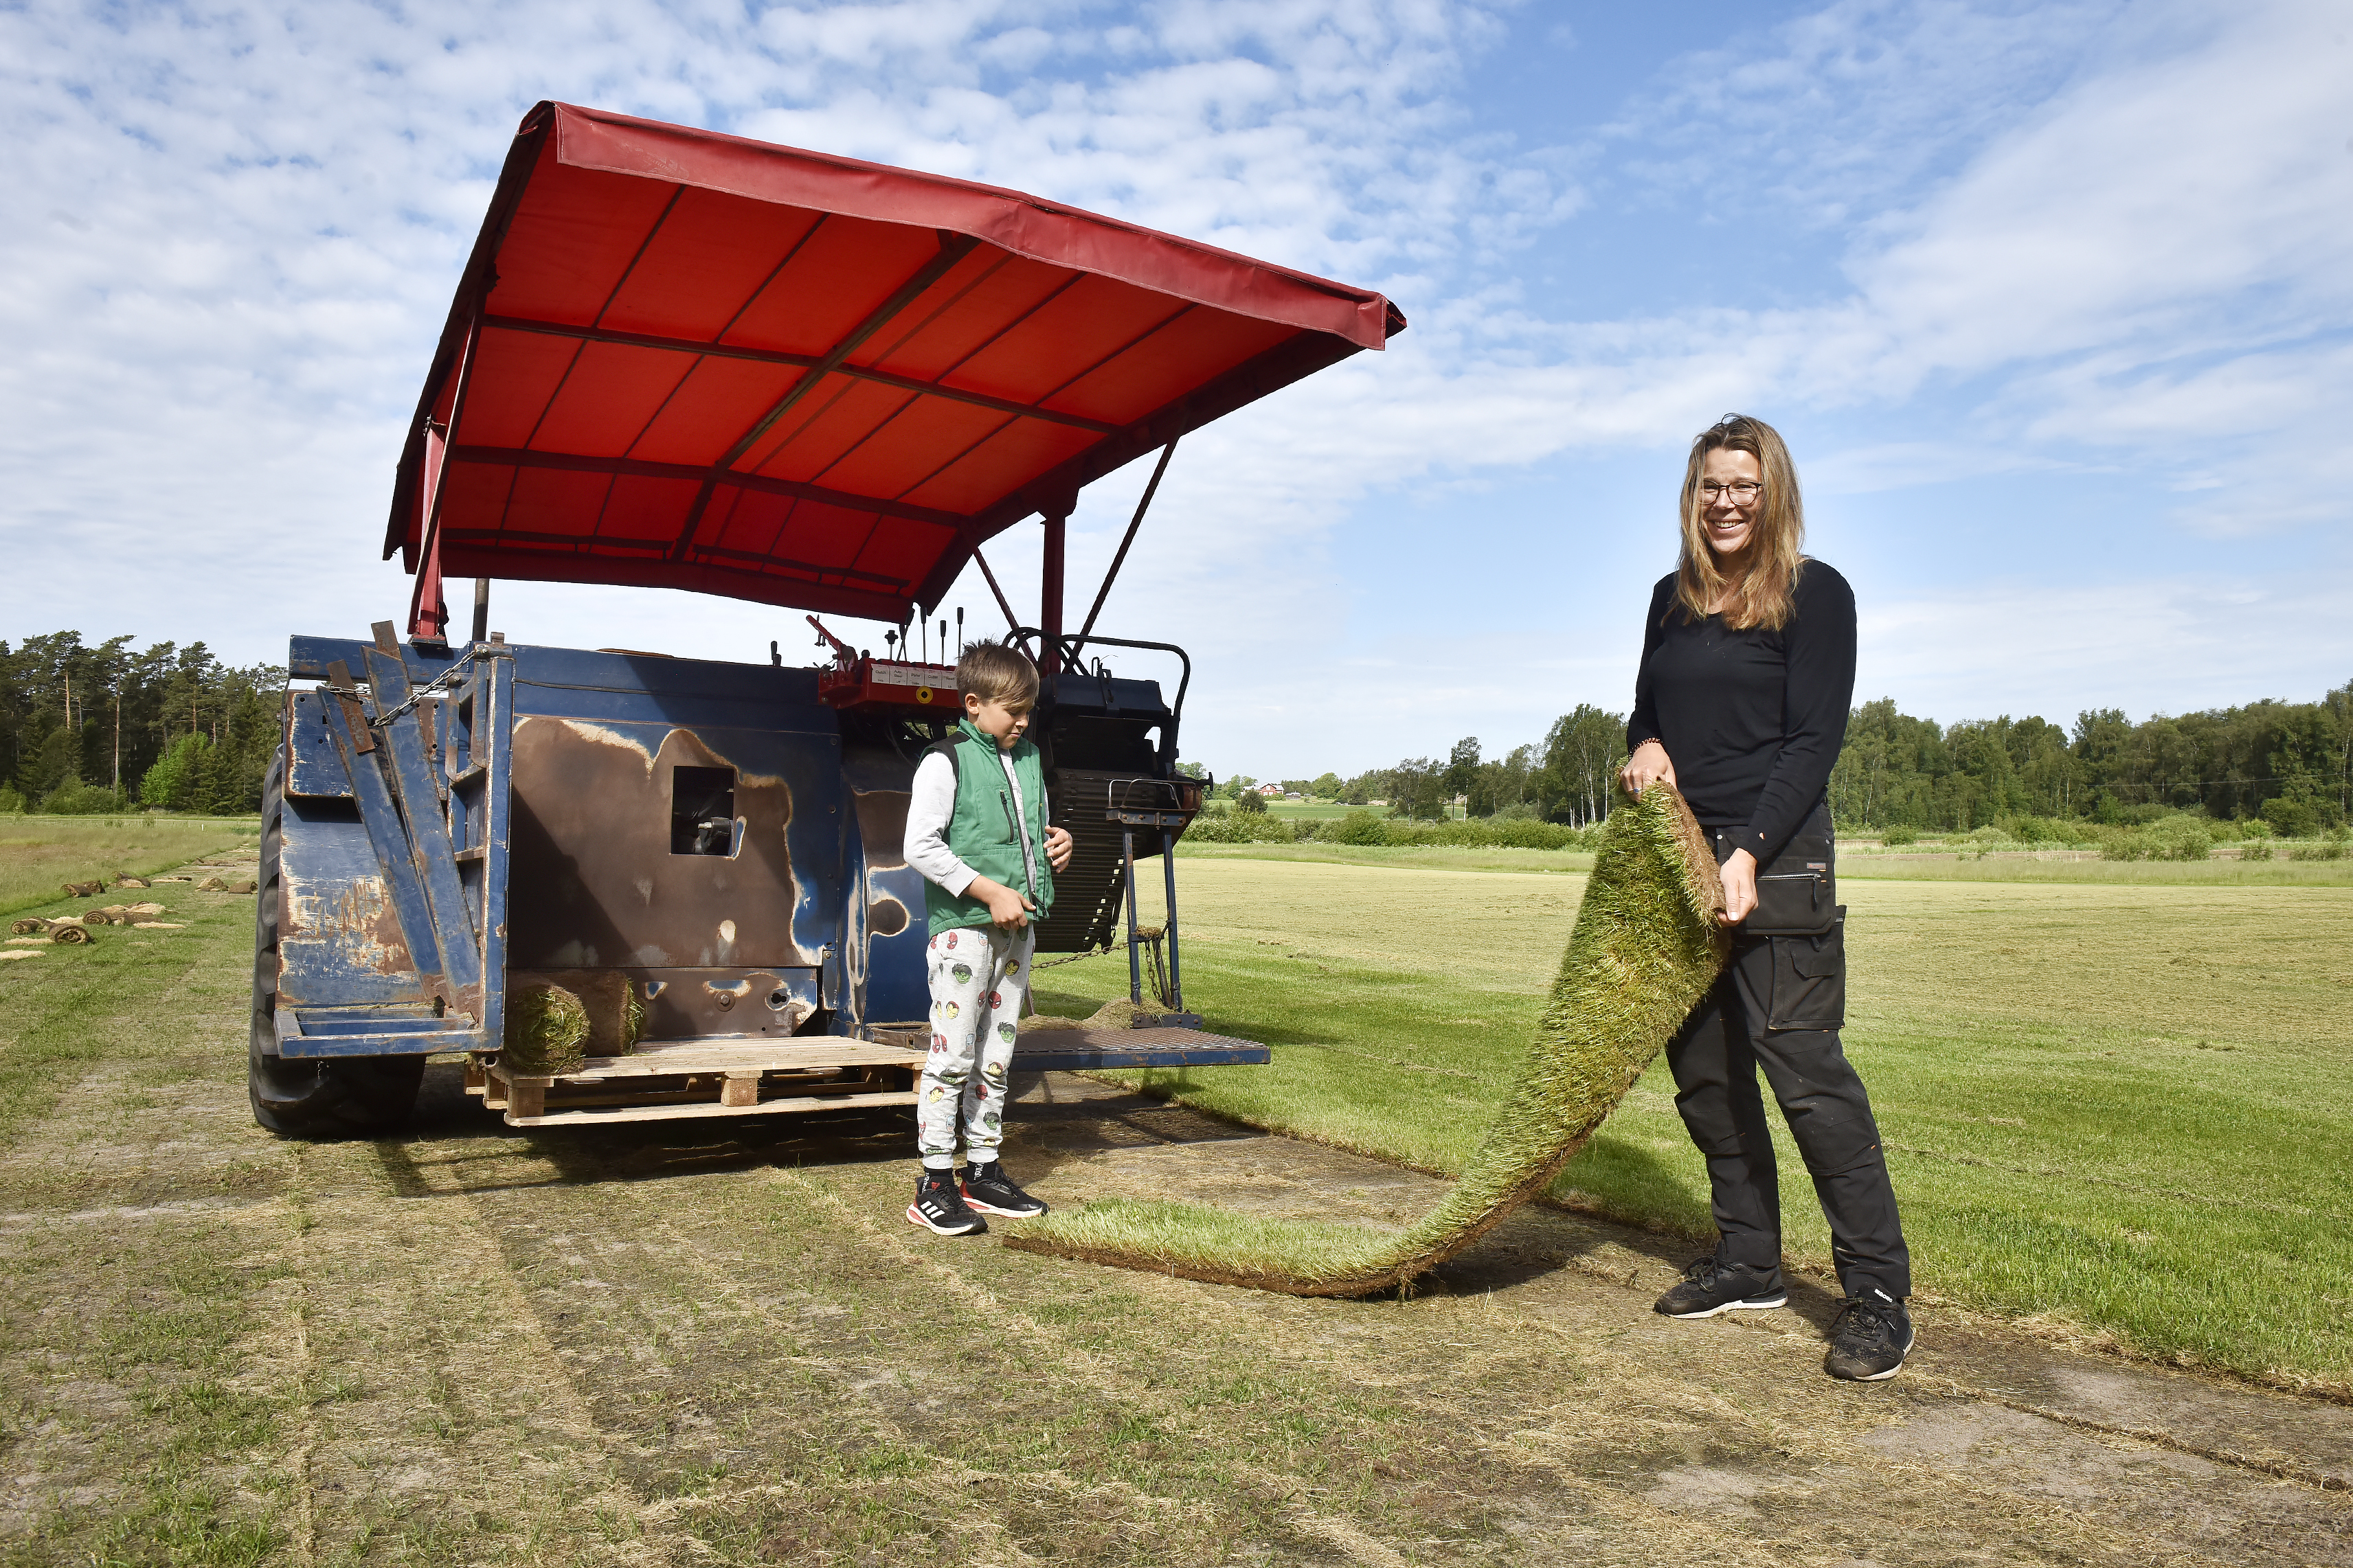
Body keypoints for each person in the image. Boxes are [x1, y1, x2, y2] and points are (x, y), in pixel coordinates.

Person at [1620, 413, 1915, 1382]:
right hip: (1680, 865)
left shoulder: (1815, 594)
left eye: (1743, 485)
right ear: (1692, 495)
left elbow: (1810, 743)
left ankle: (1876, 1293)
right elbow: (1647, 710)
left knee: (1807, 1077)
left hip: (1778, 863)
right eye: (1711, 485)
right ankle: (1749, 1259)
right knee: (1705, 1075)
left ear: (1772, 490)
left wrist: (1746, 850)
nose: (1726, 502)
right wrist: (1643, 745)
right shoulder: (1670, 597)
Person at [901, 640, 1075, 1235]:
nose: (1023, 721)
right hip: (964, 934)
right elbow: (920, 847)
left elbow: (1029, 838)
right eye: (1012, 710)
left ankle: (981, 1170)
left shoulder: (1027, 760)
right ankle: (933, 1180)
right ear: (973, 704)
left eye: (1029, 710)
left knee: (996, 1056)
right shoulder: (943, 761)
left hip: (1017, 930)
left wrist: (1060, 849)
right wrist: (988, 891)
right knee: (953, 1054)